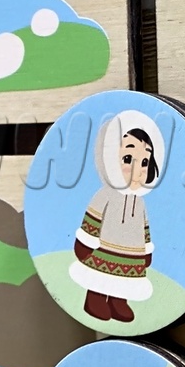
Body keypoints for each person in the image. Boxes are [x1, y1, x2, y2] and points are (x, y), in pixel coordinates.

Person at [70, 111, 164, 323]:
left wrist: (146, 251)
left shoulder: (139, 202)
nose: (138, 170)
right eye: (128, 159)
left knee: (124, 283)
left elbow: (144, 229)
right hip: (103, 251)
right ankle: (95, 299)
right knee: (99, 278)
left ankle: (118, 301)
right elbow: (93, 219)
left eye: (145, 162)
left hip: (131, 254)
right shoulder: (105, 195)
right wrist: (84, 243)